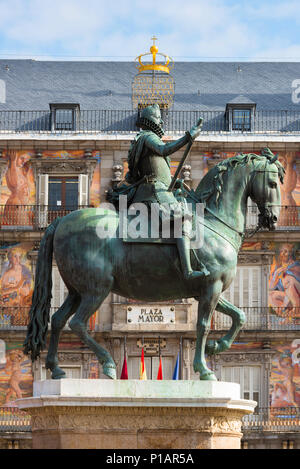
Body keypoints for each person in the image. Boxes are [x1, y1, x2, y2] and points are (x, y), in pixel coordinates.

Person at [109, 104, 208, 280]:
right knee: (182, 219)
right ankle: (188, 271)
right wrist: (188, 137)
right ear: (152, 120)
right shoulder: (148, 137)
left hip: (156, 188)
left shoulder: (144, 140)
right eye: (159, 118)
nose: (162, 122)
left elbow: (154, 172)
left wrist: (174, 182)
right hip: (152, 192)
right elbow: (164, 150)